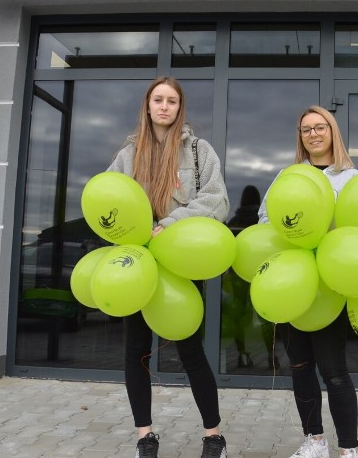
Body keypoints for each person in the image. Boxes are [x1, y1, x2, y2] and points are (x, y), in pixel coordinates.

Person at [107, 76, 229, 458]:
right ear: (147, 105)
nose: (164, 106)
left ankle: (214, 436)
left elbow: (217, 201)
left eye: (171, 101)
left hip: (180, 261)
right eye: (157, 99)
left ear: (180, 108)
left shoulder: (199, 151)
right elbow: (108, 198)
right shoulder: (128, 155)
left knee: (191, 351)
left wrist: (169, 225)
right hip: (139, 263)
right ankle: (145, 436)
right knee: (136, 352)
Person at [258, 105, 358, 458]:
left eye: (320, 127)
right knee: (300, 364)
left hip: (330, 285)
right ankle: (314, 441)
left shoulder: (351, 177)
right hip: (293, 279)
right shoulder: (289, 175)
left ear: (333, 132)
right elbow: (264, 217)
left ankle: (349, 449)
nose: (313, 134)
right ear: (300, 137)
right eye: (306, 130)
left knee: (334, 370)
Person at [224, 185, 278, 371]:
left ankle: (242, 355)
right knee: (265, 316)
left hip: (238, 276)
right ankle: (271, 356)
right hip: (264, 274)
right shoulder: (262, 221)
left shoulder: (234, 220)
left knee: (238, 315)